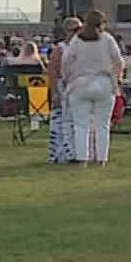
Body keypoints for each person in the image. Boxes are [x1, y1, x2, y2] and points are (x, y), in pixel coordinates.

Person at [61, 9, 124, 166]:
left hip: (80, 83)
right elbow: (119, 61)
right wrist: (117, 77)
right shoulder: (107, 39)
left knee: (81, 125)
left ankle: (83, 158)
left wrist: (68, 77)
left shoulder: (77, 39)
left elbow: (66, 60)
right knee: (102, 125)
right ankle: (101, 159)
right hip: (103, 83)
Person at [47, 17, 83, 164]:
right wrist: (54, 91)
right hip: (64, 86)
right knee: (62, 120)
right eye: (75, 30)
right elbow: (53, 72)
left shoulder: (84, 47)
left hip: (80, 86)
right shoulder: (60, 49)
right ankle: (61, 153)